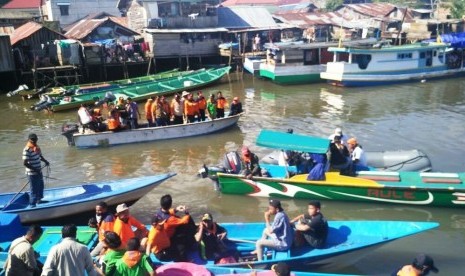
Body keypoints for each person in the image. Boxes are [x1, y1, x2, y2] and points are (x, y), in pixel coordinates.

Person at [154, 194, 196, 261]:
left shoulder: (158, 212)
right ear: (170, 204)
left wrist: (176, 209)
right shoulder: (171, 219)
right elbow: (184, 221)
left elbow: (167, 212)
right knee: (186, 229)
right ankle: (183, 258)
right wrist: (186, 212)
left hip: (163, 235)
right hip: (169, 238)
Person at [23, 133, 50, 208]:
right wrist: (35, 169)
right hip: (32, 173)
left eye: (35, 139)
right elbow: (25, 163)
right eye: (32, 140)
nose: (34, 141)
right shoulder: (27, 149)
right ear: (29, 140)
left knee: (40, 186)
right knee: (34, 189)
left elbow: (40, 156)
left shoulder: (36, 147)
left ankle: (39, 200)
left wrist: (45, 161)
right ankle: (32, 204)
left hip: (38, 171)